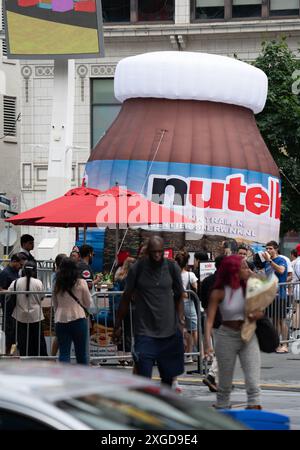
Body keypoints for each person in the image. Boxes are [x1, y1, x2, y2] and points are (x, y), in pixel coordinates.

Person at [113, 236, 185, 387]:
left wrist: (180, 319)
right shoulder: (137, 268)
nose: (157, 256)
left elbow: (179, 295)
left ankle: (163, 408)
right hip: (145, 332)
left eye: (160, 252)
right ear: (148, 252)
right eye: (153, 252)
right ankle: (146, 406)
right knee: (144, 379)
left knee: (167, 380)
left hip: (168, 332)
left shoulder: (172, 268)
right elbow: (125, 298)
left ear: (163, 251)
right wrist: (117, 325)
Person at [204, 255, 263, 410]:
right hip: (226, 336)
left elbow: (261, 310)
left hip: (248, 334)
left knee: (253, 378)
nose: (248, 270)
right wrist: (207, 345)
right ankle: (222, 407)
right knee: (224, 380)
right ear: (234, 271)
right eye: (244, 267)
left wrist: (255, 313)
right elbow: (209, 320)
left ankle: (254, 407)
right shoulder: (219, 291)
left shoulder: (250, 286)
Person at [52, 257, 91, 364]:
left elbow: (55, 304)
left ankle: (65, 379)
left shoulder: (57, 284)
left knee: (64, 353)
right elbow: (88, 303)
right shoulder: (81, 282)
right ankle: (82, 378)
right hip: (79, 319)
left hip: (61, 319)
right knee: (81, 353)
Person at [8, 261, 47, 356]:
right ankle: (40, 360)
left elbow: (9, 293)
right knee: (38, 341)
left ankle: (25, 360)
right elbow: (42, 297)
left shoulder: (16, 282)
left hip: (20, 316)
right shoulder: (38, 283)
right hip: (36, 317)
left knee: (23, 342)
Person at [200, 255, 224, 393]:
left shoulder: (207, 280)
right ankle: (212, 375)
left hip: (211, 319)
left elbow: (203, 301)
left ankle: (218, 382)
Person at [262, 241, 288, 353]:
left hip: (280, 295)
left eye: (270, 248)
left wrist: (269, 260)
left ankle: (285, 345)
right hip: (270, 295)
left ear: (276, 249)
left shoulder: (281, 260)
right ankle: (277, 344)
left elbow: (281, 271)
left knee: (281, 320)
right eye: (267, 248)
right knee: (274, 321)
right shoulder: (266, 263)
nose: (268, 250)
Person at [175, 250, 198, 364]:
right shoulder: (190, 275)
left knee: (179, 328)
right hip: (188, 303)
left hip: (175, 303)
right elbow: (196, 289)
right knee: (193, 329)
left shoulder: (173, 274)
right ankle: (190, 354)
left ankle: (179, 353)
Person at [0, 254, 24, 354]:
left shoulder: (16, 272)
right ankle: (6, 352)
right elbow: (1, 289)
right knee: (9, 331)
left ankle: (10, 352)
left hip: (15, 305)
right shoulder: (5, 273)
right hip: (8, 305)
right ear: (14, 261)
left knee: (14, 330)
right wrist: (13, 291)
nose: (21, 267)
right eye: (20, 264)